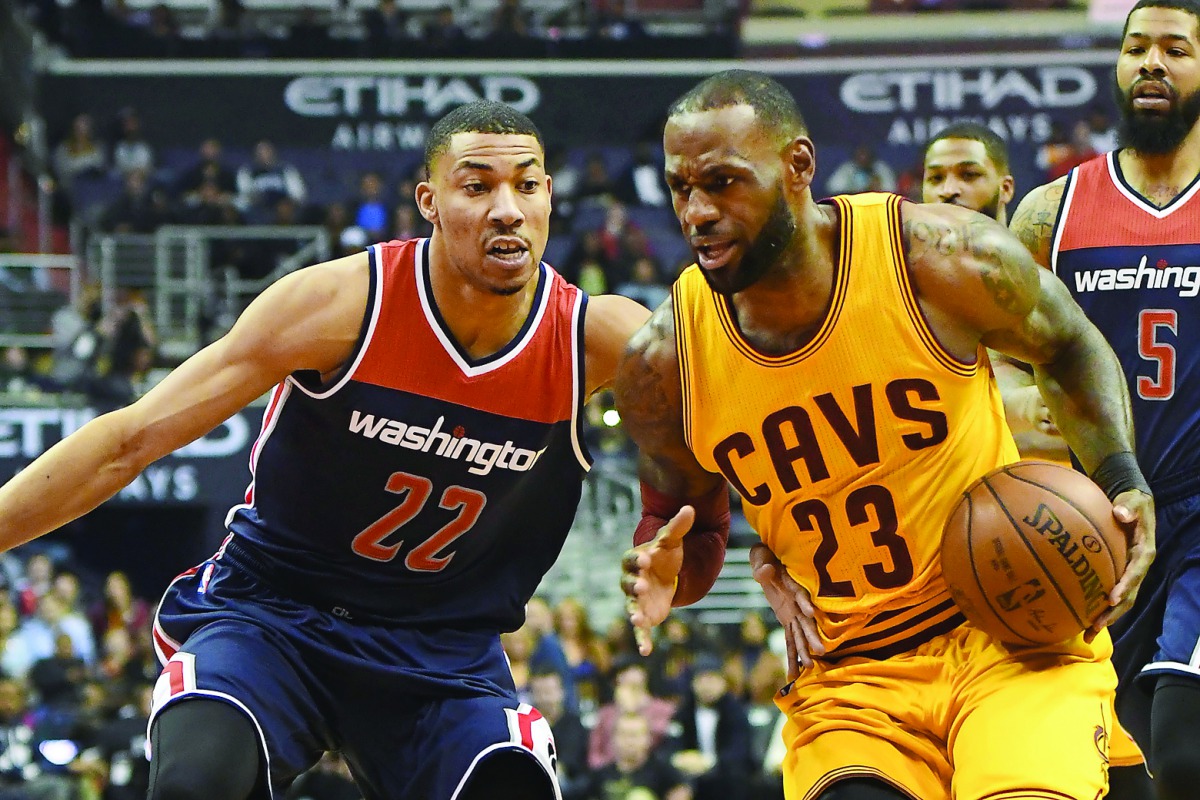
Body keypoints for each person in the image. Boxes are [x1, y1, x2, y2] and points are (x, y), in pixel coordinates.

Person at [0, 100, 648, 800]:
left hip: (442, 647)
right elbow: (128, 441)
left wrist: (691, 523)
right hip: (275, 615)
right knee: (199, 777)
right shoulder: (340, 306)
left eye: (526, 184)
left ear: (550, 195)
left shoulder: (600, 337)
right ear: (428, 201)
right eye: (476, 185)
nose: (507, 208)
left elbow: (721, 419)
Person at [614, 69, 1155, 800]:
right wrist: (665, 568)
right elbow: (692, 527)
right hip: (851, 678)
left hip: (1009, 633)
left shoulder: (935, 257)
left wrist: (1122, 479)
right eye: (682, 188)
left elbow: (1068, 344)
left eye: (724, 182)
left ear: (798, 167)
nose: (698, 211)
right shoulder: (661, 364)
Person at [1007, 3, 1200, 798]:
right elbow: (998, 366)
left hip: (1197, 518)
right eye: (1136, 48)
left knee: (1183, 748)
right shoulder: (1051, 214)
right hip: (1092, 522)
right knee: (1114, 770)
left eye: (1177, 49)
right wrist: (1023, 404)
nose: (1152, 63)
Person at [923, 124, 1071, 461]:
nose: (949, 190)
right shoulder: (899, 285)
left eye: (969, 175)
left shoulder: (1045, 279)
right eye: (935, 178)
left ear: (1005, 188)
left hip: (1044, 491)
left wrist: (1028, 404)